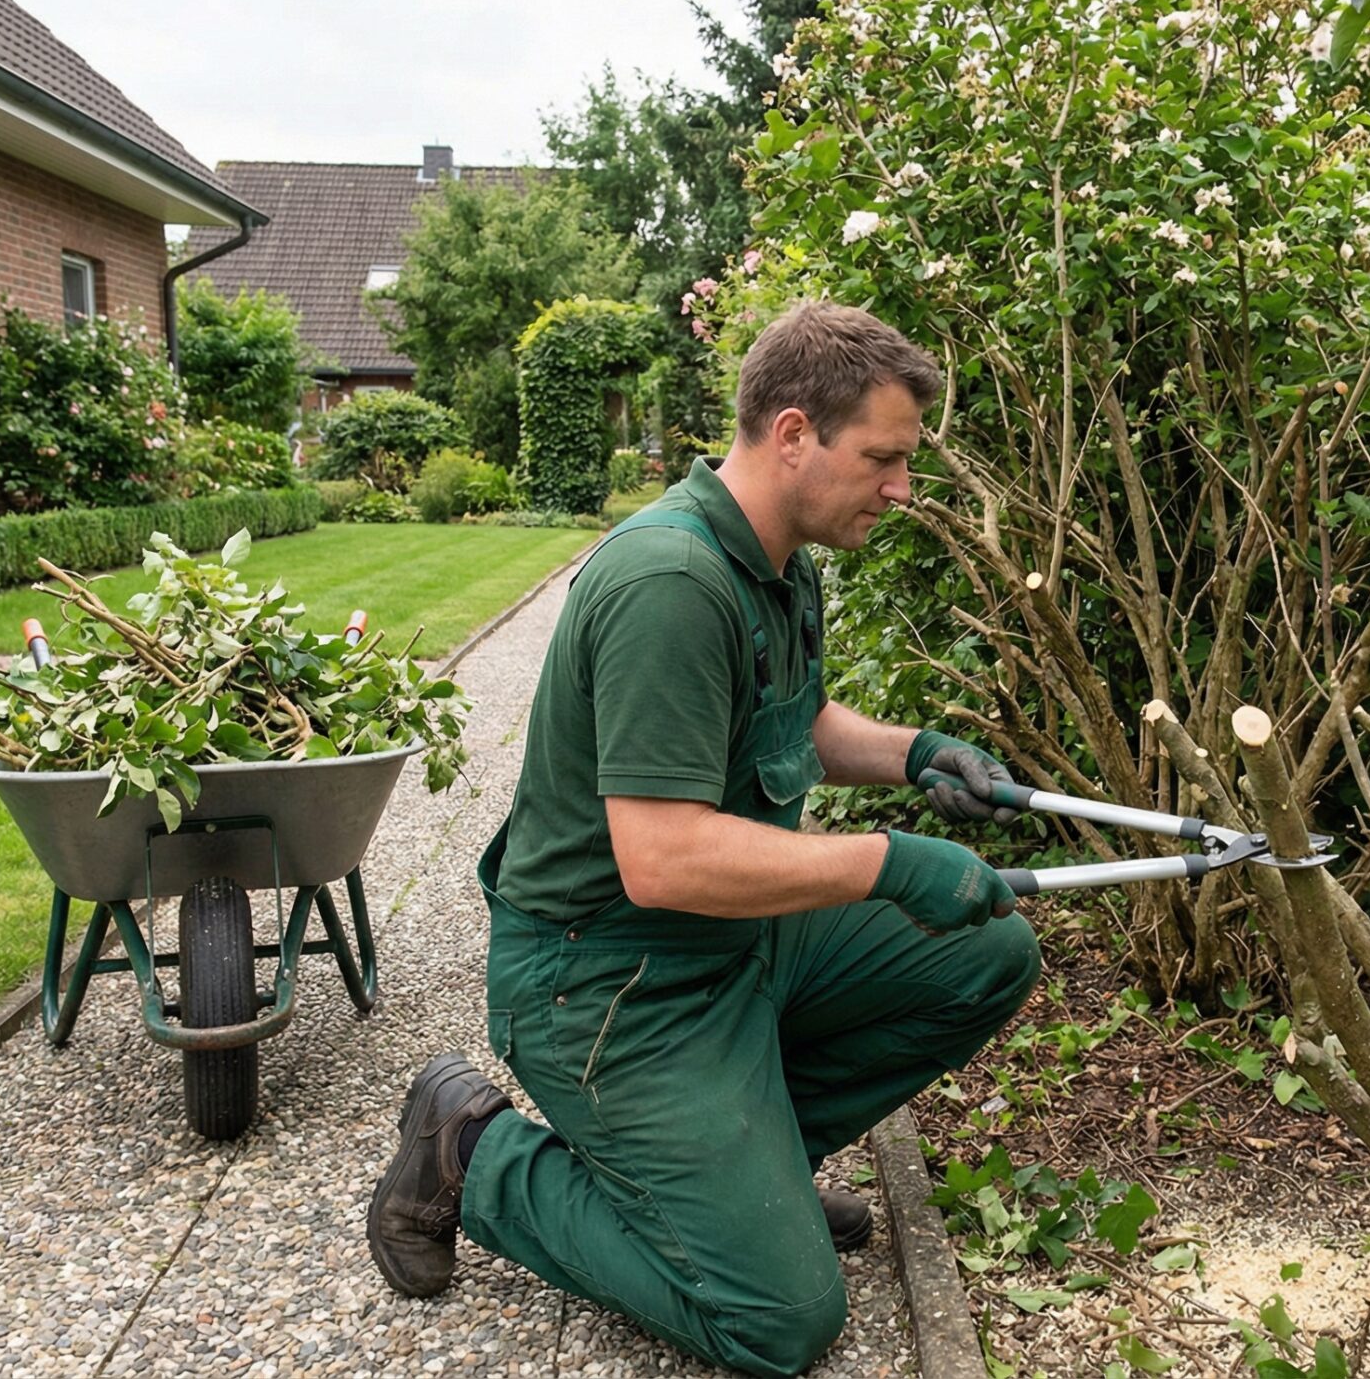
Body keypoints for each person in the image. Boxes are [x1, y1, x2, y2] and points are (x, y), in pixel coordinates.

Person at [365, 302, 1041, 1376]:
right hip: (607, 981)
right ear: (792, 434)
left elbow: (795, 722)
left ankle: (745, 1185)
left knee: (986, 951)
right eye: (883, 458)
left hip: (731, 941)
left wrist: (916, 753)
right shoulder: (670, 584)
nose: (903, 488)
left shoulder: (779, 558)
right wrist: (890, 861)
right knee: (780, 1322)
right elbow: (664, 855)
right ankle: (471, 1153)